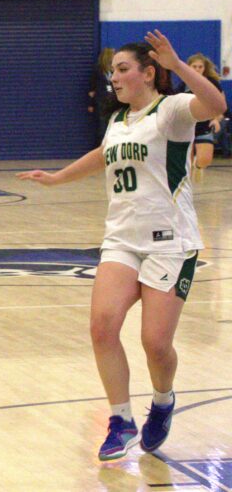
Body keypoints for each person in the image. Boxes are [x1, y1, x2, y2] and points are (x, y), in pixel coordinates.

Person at [18, 30, 227, 462]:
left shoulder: (170, 111)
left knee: (155, 344)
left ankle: (164, 400)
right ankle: (120, 420)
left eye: (123, 69)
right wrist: (57, 177)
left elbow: (216, 106)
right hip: (121, 239)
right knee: (102, 327)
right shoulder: (117, 121)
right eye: (112, 71)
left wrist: (178, 65)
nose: (114, 77)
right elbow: (103, 154)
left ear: (149, 73)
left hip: (171, 242)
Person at [173, 53, 225, 182]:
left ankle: (198, 167)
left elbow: (220, 105)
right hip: (187, 126)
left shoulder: (212, 83)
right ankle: (186, 187)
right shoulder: (182, 85)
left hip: (204, 125)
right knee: (186, 162)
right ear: (189, 67)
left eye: (200, 67)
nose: (197, 69)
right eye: (194, 66)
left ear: (204, 68)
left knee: (205, 159)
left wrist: (216, 119)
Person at [89, 47, 115, 144]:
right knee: (101, 127)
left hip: (111, 100)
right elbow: (92, 90)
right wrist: (90, 104)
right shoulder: (98, 71)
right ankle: (100, 146)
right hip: (101, 100)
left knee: (111, 124)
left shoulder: (113, 71)